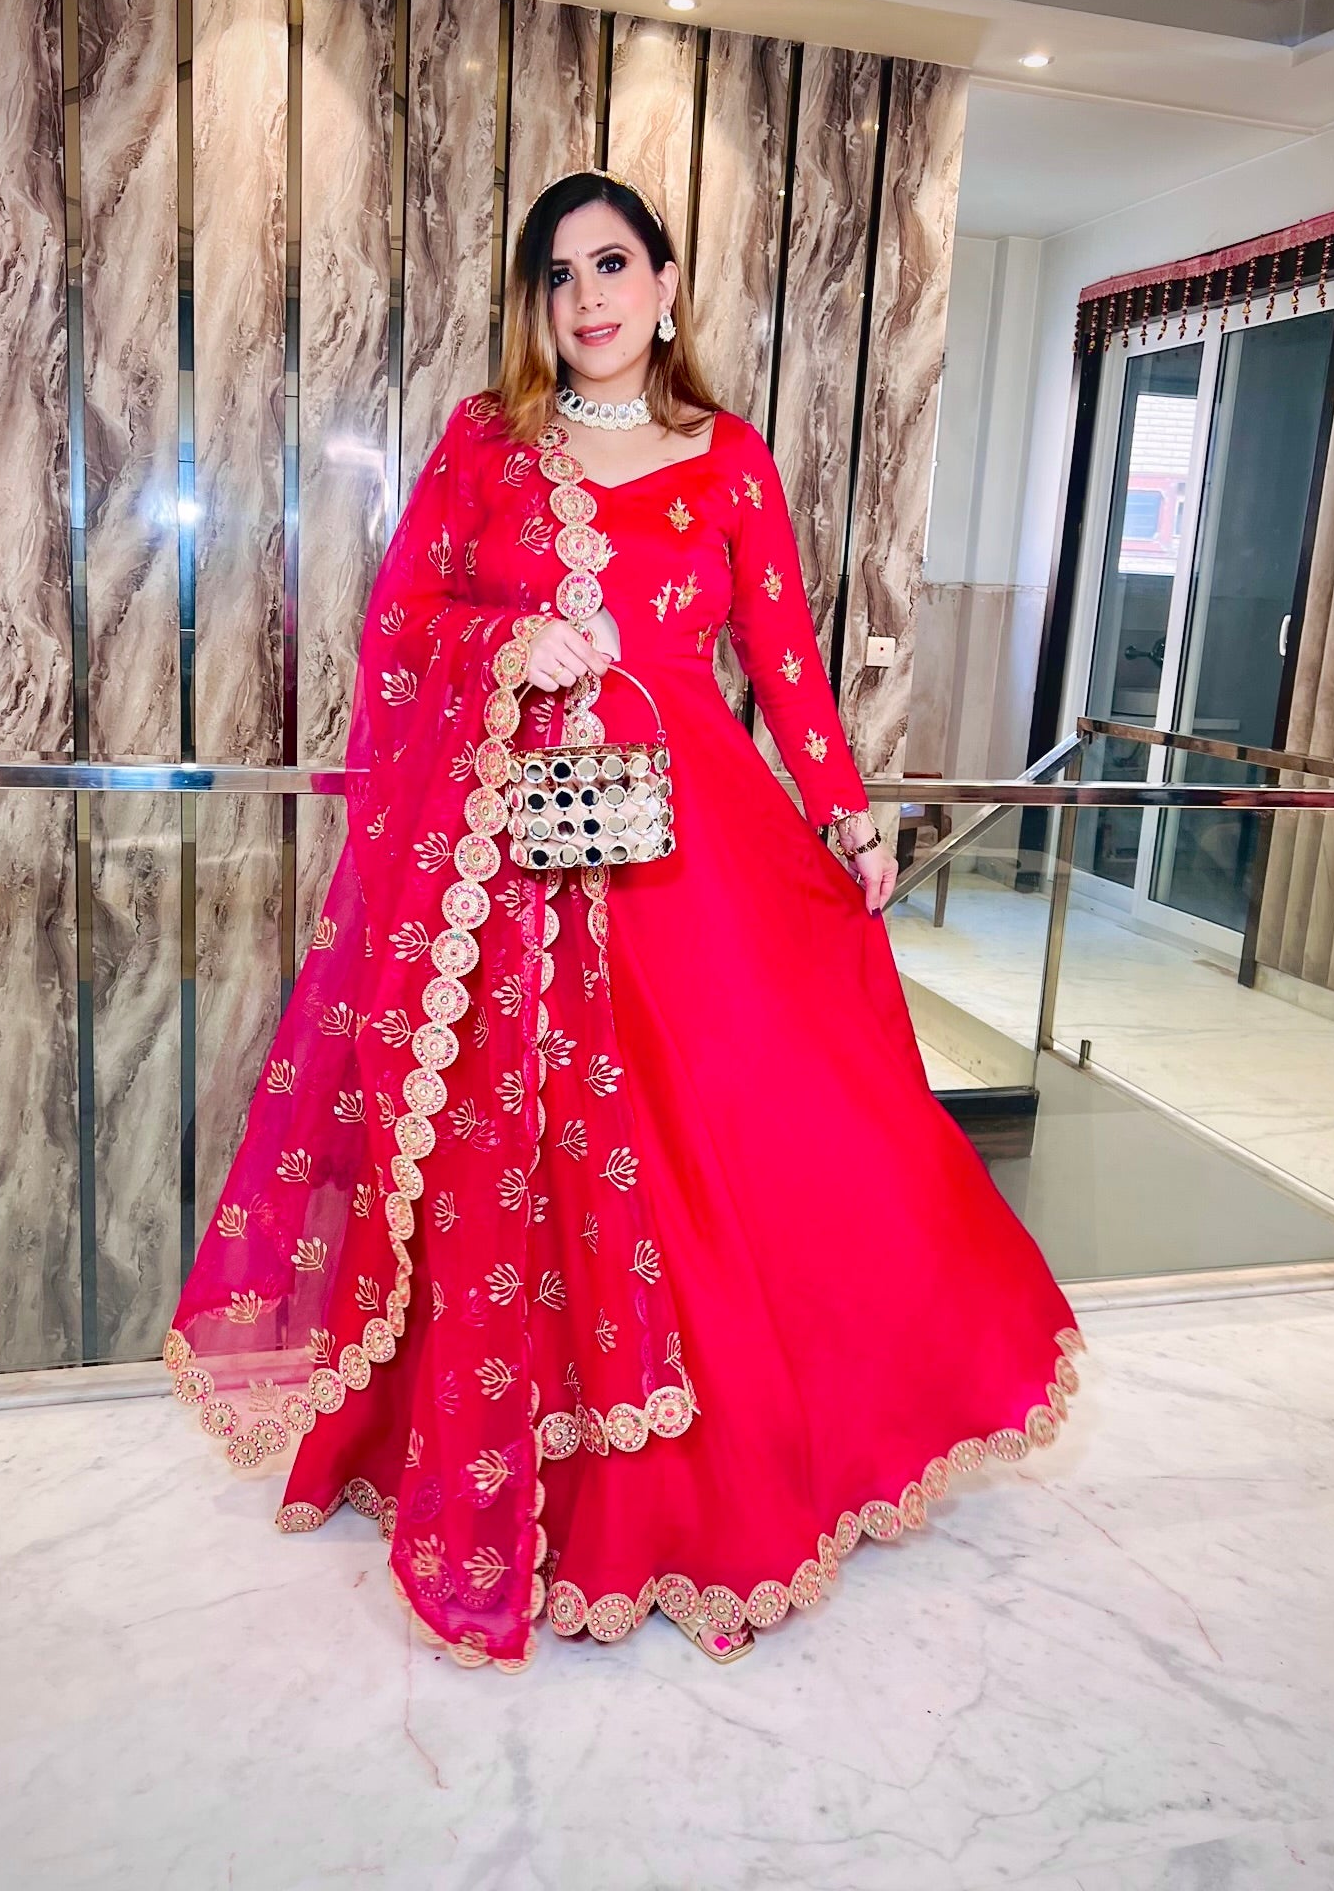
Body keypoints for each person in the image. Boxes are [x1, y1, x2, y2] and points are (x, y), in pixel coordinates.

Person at [163, 168, 1083, 1673]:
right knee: (511, 1158)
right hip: (514, 867)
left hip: (691, 855)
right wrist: (504, 639)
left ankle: (709, 1482)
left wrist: (849, 820)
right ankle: (525, 1466)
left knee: (731, 1149)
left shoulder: (728, 463)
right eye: (558, 274)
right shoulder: (488, 442)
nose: (585, 298)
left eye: (611, 266)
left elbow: (784, 664)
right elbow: (400, 629)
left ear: (665, 286)